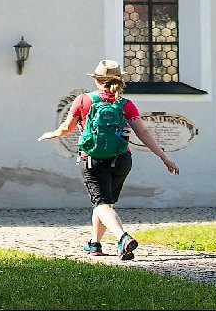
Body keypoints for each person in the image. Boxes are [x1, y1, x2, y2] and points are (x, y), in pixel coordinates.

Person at [38, 59, 180, 260]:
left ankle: (122, 238)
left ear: (97, 80)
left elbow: (67, 128)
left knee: (102, 204)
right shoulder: (126, 104)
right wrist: (165, 158)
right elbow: (143, 133)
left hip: (93, 159)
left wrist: (52, 133)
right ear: (119, 80)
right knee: (105, 204)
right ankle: (94, 244)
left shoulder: (83, 100)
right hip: (122, 159)